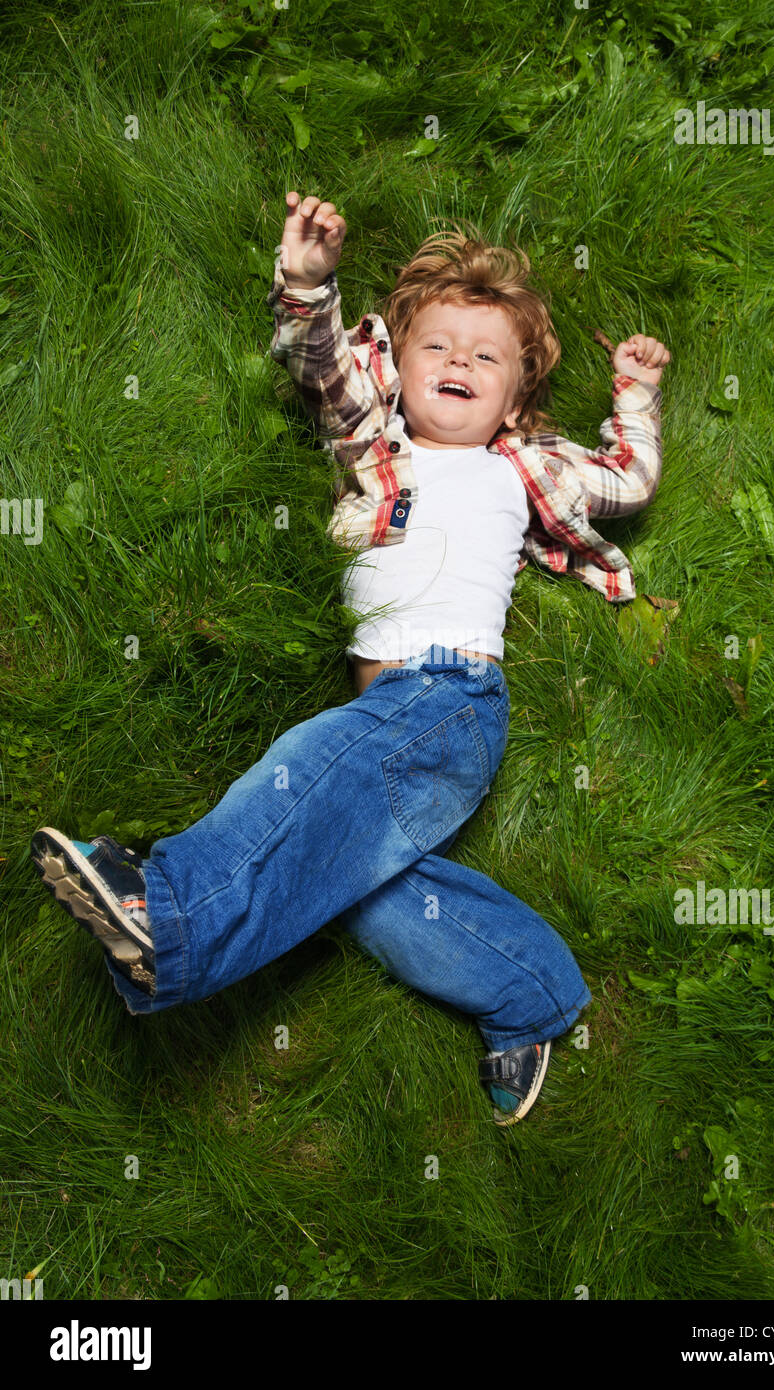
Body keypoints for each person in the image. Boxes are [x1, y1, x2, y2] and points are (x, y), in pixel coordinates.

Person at [31, 191, 670, 1126]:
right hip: (389, 711)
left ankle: (170, 915)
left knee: (298, 781)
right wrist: (307, 284)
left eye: (486, 357)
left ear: (516, 396)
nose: (459, 362)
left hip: (451, 696)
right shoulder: (376, 447)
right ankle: (528, 995)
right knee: (358, 885)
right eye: (438, 348)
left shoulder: (524, 465)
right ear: (400, 368)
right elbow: (324, 368)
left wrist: (637, 397)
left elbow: (629, 483)